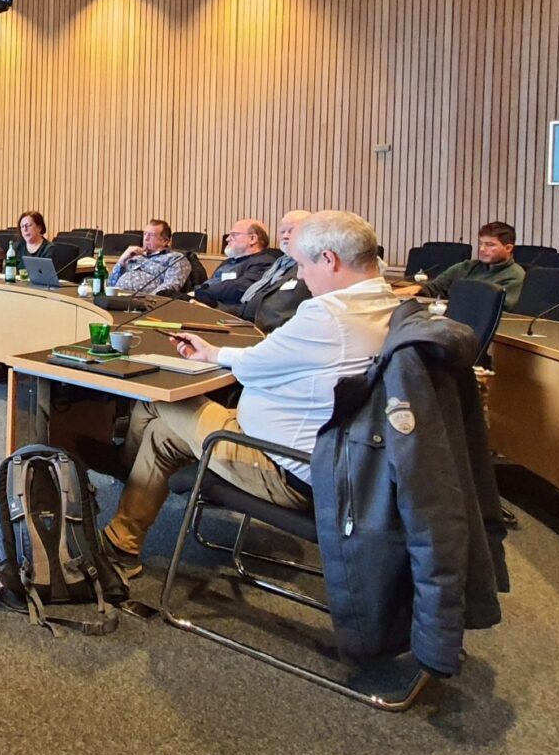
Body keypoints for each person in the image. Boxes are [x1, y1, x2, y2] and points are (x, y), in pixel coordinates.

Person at [100, 211, 401, 578]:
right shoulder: (388, 304)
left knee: (158, 401)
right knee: (163, 435)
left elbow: (255, 365)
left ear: (329, 260)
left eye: (304, 265)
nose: (301, 275)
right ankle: (120, 544)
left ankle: (123, 485)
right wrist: (215, 353)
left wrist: (212, 354)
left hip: (282, 463)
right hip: (336, 463)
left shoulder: (329, 315)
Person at [239, 209, 313, 331]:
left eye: (291, 231)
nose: (285, 236)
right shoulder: (280, 261)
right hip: (249, 323)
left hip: (275, 331)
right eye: (282, 231)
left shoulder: (311, 265)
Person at [425, 221, 526, 310]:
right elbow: (436, 287)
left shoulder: (515, 275)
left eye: (490, 244)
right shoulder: (467, 266)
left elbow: (497, 306)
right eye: (481, 243)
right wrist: (417, 289)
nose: (482, 249)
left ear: (508, 248)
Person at [194, 219, 277, 309]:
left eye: (234, 235)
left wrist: (200, 291)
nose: (227, 239)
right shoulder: (229, 261)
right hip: (204, 303)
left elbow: (239, 289)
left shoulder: (263, 262)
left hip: (226, 313)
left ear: (252, 239)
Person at [108, 220, 191, 295]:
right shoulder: (135, 255)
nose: (146, 239)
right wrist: (122, 260)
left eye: (151, 235)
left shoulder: (175, 258)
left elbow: (169, 287)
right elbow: (110, 284)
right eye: (145, 234)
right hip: (116, 297)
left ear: (165, 241)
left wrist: (148, 301)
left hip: (143, 304)